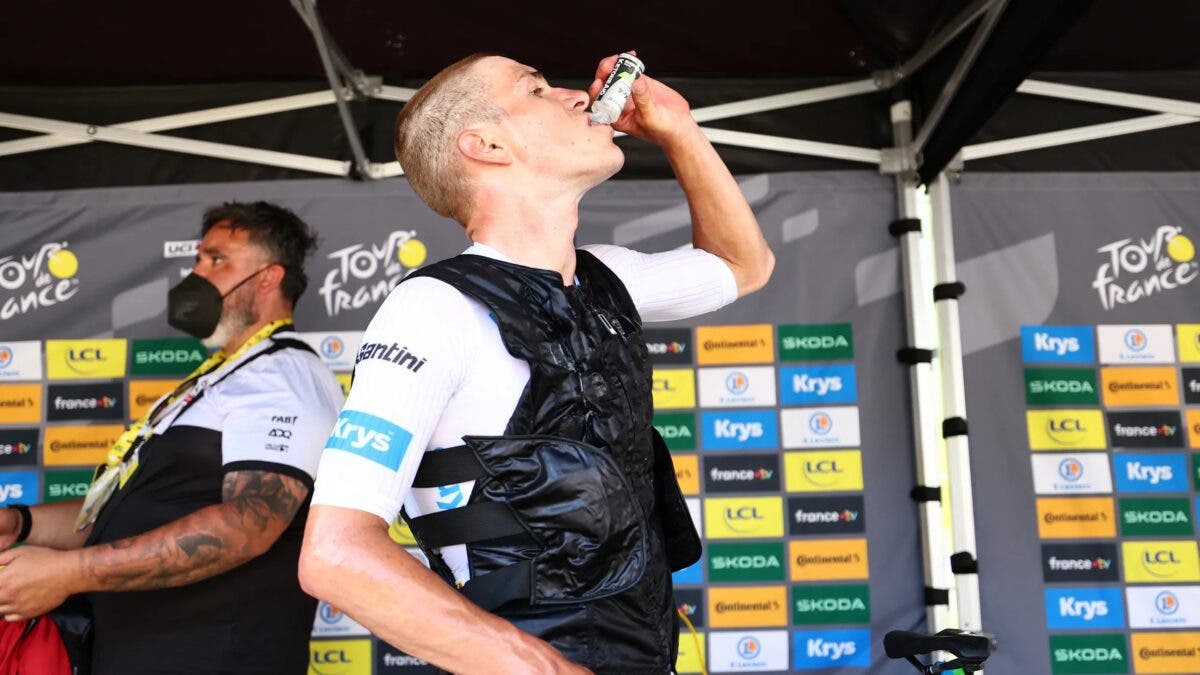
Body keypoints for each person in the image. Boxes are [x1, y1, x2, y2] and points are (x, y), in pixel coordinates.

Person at [299, 53, 774, 674]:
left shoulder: (608, 278)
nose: (579, 97)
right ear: (487, 144)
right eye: (539, 89)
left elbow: (744, 267)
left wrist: (679, 130)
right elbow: (335, 554)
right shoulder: (433, 309)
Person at [0, 202, 344, 675]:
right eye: (198, 259)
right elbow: (121, 519)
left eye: (217, 260)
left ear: (268, 278)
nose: (196, 275)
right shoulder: (220, 379)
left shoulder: (282, 376)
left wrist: (68, 573)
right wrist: (21, 524)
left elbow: (249, 525)